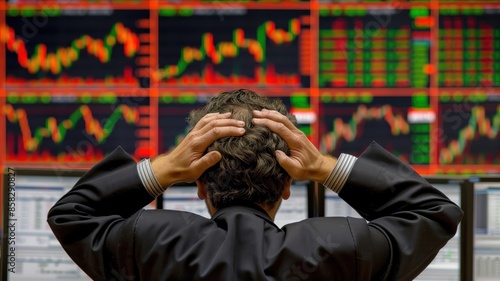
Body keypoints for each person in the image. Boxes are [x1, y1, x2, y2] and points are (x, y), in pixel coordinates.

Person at [47, 89, 463, 281]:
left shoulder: (151, 243)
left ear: (199, 185)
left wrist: (165, 167)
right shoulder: (341, 248)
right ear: (287, 186)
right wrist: (323, 166)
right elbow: (434, 211)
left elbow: (72, 214)